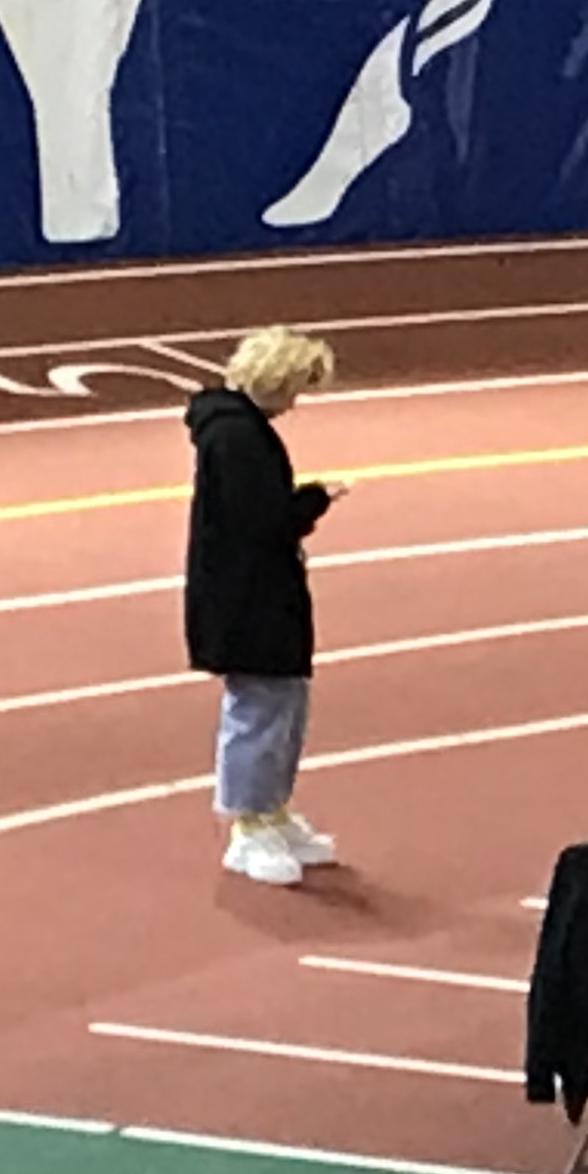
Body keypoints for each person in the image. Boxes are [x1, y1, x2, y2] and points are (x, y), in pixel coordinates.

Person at [182, 326, 344, 886]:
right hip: (244, 598)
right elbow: (263, 522)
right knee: (259, 708)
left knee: (285, 704)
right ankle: (247, 827)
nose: (297, 403)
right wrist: (314, 499)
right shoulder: (236, 439)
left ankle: (272, 809)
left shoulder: (241, 431)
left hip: (262, 591)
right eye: (297, 387)